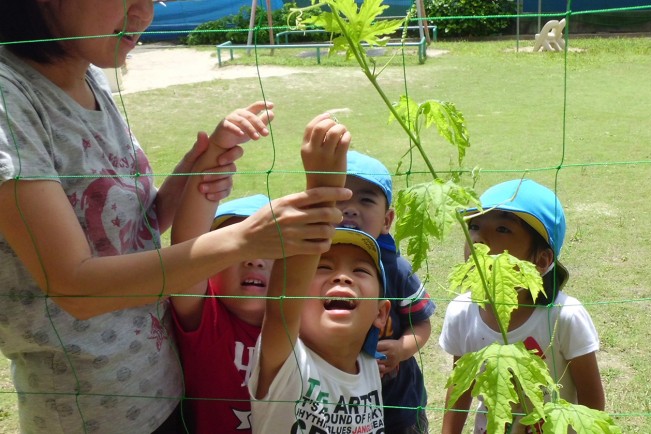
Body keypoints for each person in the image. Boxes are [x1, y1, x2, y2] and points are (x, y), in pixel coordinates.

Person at [0, 2, 350, 431]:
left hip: (166, 386)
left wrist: (201, 163)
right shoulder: (9, 97)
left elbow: (137, 225)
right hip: (95, 412)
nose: (145, 14)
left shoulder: (89, 75)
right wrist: (243, 240)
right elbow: (74, 288)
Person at [248, 125, 392, 433]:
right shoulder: (287, 364)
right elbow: (282, 307)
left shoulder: (368, 366)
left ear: (381, 313)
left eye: (361, 271)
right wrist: (321, 189)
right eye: (322, 268)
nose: (342, 277)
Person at [439, 179, 605, 434]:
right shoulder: (461, 312)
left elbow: (591, 402)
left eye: (503, 229)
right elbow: (461, 388)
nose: (479, 239)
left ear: (541, 259)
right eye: (474, 225)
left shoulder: (565, 317)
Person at [342, 150, 435, 433]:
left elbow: (421, 322)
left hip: (397, 405)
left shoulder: (396, 268)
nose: (350, 208)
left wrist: (402, 349)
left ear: (387, 219)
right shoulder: (311, 264)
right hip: (339, 406)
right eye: (340, 197)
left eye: (366, 200)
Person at [171, 194, 272, 433]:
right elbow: (187, 253)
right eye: (235, 249)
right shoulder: (205, 317)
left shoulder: (305, 321)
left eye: (268, 247)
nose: (254, 260)